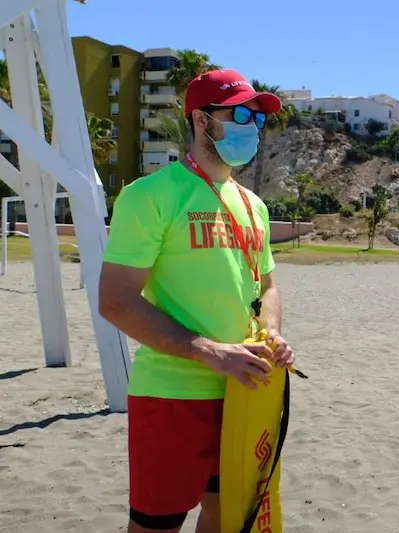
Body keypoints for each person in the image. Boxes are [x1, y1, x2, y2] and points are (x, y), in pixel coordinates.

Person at [98, 68, 295, 533]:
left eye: (258, 119)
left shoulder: (254, 205)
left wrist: (271, 334)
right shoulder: (150, 195)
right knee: (155, 525)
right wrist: (208, 351)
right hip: (172, 394)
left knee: (227, 516)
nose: (252, 128)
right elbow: (116, 301)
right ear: (202, 121)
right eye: (241, 114)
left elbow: (267, 287)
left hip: (244, 394)